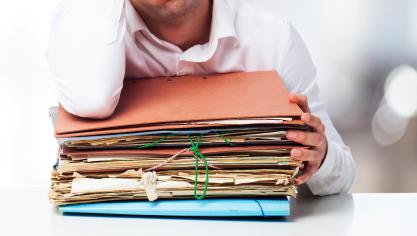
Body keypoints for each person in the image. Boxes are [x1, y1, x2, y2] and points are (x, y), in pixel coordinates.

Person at [46, 0, 355, 196]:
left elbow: (342, 175)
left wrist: (320, 154)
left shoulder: (272, 39)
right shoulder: (91, 34)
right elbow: (92, 99)